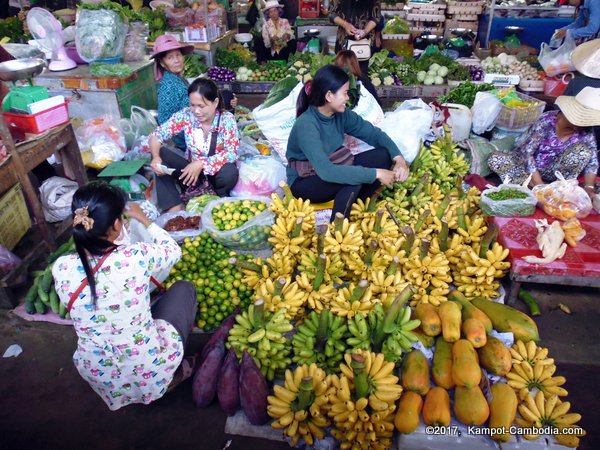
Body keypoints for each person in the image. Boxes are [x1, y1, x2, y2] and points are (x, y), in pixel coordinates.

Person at [52, 181, 197, 411]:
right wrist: (145, 220)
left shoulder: (61, 267)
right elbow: (173, 251)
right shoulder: (135, 256)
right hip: (148, 368)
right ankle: (172, 374)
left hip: (98, 372)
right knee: (184, 289)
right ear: (117, 225)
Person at [286, 65, 409, 220]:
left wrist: (399, 159)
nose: (347, 98)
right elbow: (327, 171)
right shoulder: (307, 125)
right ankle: (337, 229)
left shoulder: (341, 115)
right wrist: (376, 173)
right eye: (344, 93)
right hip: (304, 181)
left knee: (382, 155)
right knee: (352, 181)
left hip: (334, 165)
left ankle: (357, 208)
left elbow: (374, 135)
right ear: (329, 96)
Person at [488, 87, 600, 199]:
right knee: (496, 158)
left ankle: (558, 189)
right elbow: (527, 153)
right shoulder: (546, 121)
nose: (586, 124)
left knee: (583, 152)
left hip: (557, 174)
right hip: (528, 168)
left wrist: (589, 187)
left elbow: (592, 161)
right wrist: (539, 182)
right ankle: (534, 187)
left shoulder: (586, 131)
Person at [148, 78, 239, 212]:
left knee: (229, 171)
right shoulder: (186, 115)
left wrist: (202, 163)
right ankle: (173, 204)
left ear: (215, 103)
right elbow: (158, 135)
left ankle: (218, 197)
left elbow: (232, 152)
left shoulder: (226, 120)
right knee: (160, 154)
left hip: (215, 173)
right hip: (189, 175)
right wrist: (156, 157)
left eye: (201, 106)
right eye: (192, 105)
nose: (196, 111)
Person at [151, 35, 195, 152]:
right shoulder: (169, 85)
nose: (176, 60)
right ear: (162, 62)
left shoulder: (178, 78)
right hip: (185, 141)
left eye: (178, 55)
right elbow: (165, 121)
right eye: (170, 58)